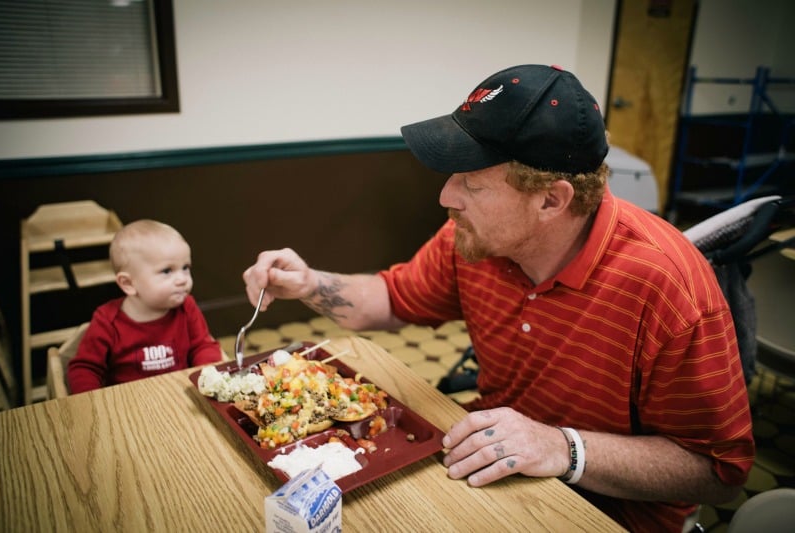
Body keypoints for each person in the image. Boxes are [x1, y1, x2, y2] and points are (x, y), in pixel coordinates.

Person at [242, 65, 755, 532]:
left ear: (551, 200)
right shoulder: (474, 239)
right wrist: (309, 284)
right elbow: (394, 299)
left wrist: (562, 447)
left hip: (609, 512)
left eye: (471, 182)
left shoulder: (667, 285)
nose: (446, 196)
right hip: (486, 462)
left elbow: (718, 474)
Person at [68, 219, 222, 393]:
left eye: (185, 267)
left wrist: (208, 377)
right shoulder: (107, 321)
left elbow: (203, 346)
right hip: (129, 405)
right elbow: (85, 369)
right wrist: (92, 401)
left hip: (180, 397)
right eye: (167, 271)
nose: (182, 279)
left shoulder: (186, 307)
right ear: (128, 284)